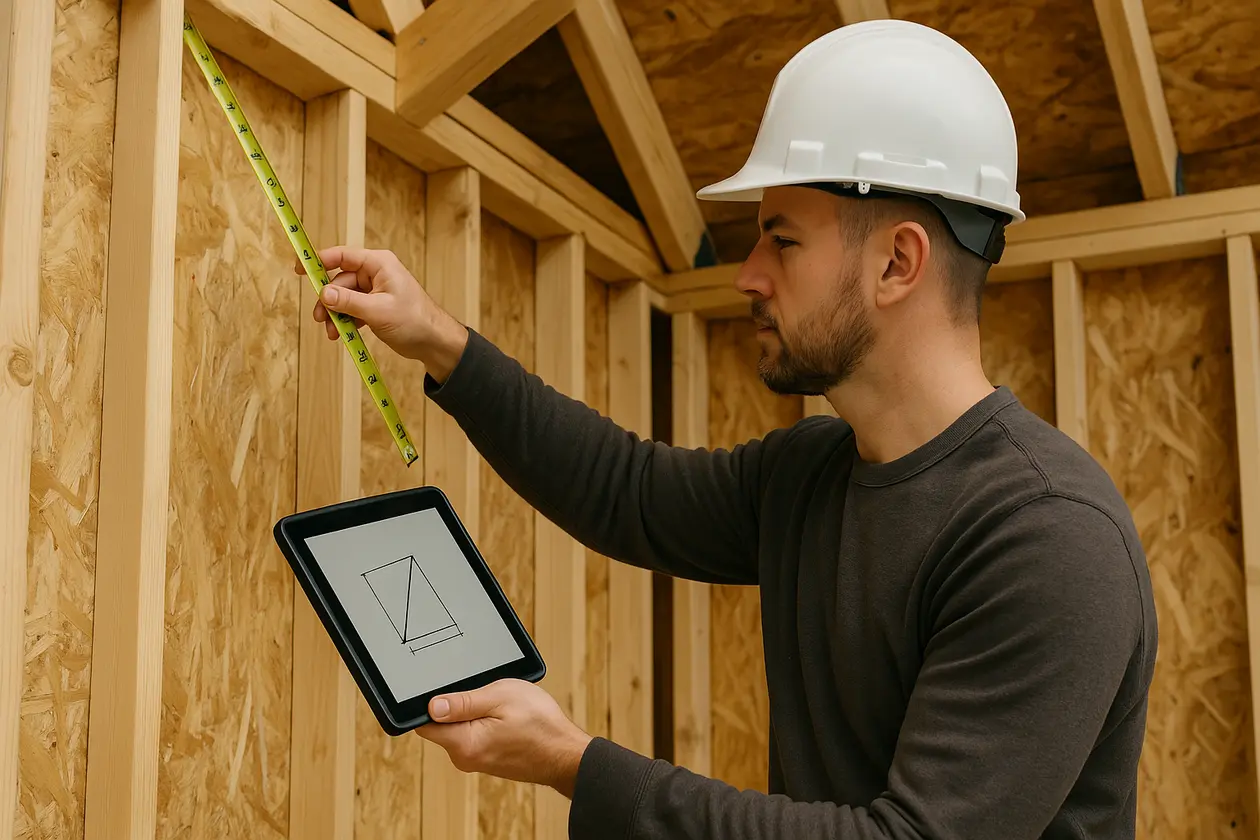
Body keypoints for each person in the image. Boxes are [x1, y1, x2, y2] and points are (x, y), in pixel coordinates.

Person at [304, 19, 1157, 840]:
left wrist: (575, 764)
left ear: (898, 262)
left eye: (781, 243)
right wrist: (441, 342)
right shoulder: (813, 473)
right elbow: (626, 490)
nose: (747, 277)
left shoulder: (1044, 538)